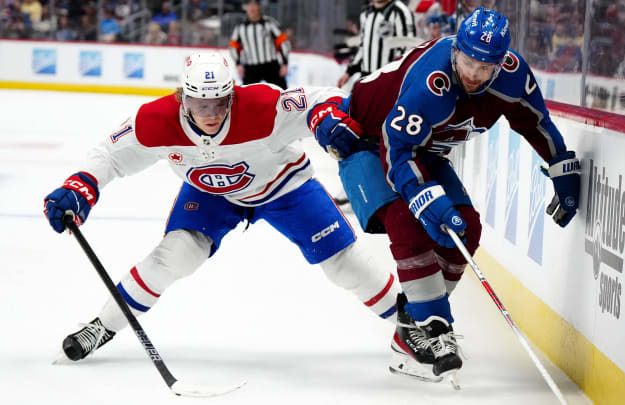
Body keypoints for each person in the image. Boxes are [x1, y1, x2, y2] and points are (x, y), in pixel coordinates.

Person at [43, 52, 400, 362]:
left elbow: (320, 98)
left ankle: (412, 325)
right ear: (182, 98)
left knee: (343, 264)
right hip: (212, 193)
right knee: (174, 257)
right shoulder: (155, 120)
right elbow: (108, 154)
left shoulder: (260, 105)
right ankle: (102, 326)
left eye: (220, 103)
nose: (212, 114)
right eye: (201, 105)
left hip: (282, 186)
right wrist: (80, 186)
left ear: (232, 95)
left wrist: (326, 115)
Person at [307, 7, 581, 384]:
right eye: (467, 62)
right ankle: (435, 329)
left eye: (486, 68)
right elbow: (396, 148)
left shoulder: (513, 76)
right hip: (368, 142)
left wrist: (560, 164)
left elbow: (535, 121)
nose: (473, 74)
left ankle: (413, 326)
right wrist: (422, 195)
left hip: (423, 150)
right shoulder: (431, 82)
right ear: (456, 50)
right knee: (408, 220)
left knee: (466, 227)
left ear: (502, 63)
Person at [336, 0, 417, 88]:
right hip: (366, 76)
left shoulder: (401, 11)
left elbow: (408, 49)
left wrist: (395, 77)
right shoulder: (366, 12)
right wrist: (349, 72)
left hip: (389, 81)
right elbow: (363, 46)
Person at [229, 0, 290, 89]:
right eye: (249, 4)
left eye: (254, 4)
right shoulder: (240, 27)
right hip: (250, 67)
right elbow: (233, 47)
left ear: (259, 6)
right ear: (245, 8)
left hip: (271, 66)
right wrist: (238, 64)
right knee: (247, 97)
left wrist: (285, 64)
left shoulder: (269, 23)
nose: (252, 7)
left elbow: (283, 42)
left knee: (283, 93)